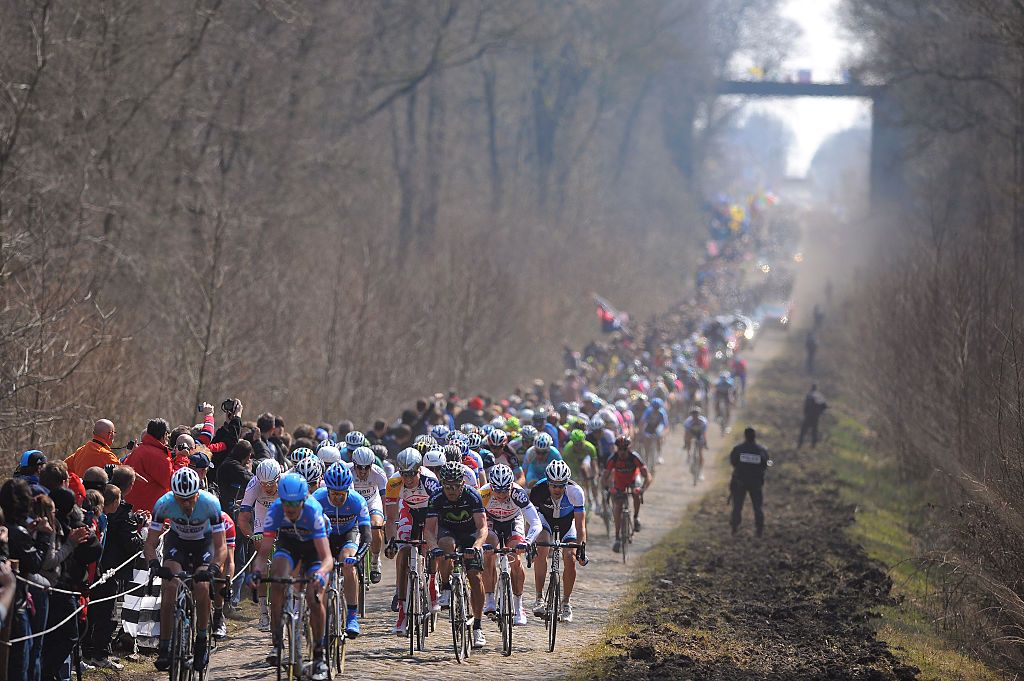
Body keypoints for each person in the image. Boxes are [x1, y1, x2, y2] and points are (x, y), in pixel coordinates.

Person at [251, 473, 333, 681]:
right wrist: (257, 572)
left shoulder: (313, 511)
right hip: (288, 549)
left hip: (313, 552)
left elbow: (326, 559)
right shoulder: (276, 510)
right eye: (286, 502)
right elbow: (263, 553)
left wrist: (321, 576)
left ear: (304, 499)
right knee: (277, 576)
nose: (290, 508)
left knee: (314, 597)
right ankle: (277, 642)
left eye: (295, 503)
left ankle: (319, 656)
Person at [145, 467, 228, 672]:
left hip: (204, 545)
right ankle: (164, 646)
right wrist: (154, 564)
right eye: (181, 499)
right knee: (169, 586)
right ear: (174, 495)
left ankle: (201, 640)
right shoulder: (163, 504)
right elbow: (150, 544)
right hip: (178, 544)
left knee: (201, 587)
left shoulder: (211, 504)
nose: (186, 503)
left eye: (190, 498)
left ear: (197, 493)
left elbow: (221, 546)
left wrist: (214, 568)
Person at [423, 461, 488, 649]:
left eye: (455, 486)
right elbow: (428, 530)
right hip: (447, 532)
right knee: (445, 546)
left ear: (462, 483)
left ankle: (477, 625)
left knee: (475, 578)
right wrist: (433, 547)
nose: (451, 490)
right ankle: (445, 587)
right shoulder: (436, 498)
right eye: (447, 486)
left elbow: (482, 527)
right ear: (442, 483)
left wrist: (476, 546)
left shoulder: (472, 496)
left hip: (470, 534)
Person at [383, 448, 441, 634]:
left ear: (419, 470)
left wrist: (433, 542)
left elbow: (438, 515)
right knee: (404, 551)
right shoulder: (393, 482)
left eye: (412, 474)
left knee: (429, 547)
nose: (408, 479)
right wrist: (392, 541)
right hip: (408, 511)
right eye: (404, 474)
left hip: (429, 512)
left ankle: (432, 583)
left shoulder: (430, 481)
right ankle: (402, 610)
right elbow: (391, 519)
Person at [478, 464, 541, 625]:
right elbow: (476, 522)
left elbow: (535, 523)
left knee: (515, 559)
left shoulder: (518, 493)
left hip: (513, 522)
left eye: (505, 490)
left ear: (510, 486)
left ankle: (519, 606)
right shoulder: (483, 493)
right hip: (491, 522)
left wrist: (527, 542)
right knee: (488, 553)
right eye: (497, 490)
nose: (500, 495)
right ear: (491, 486)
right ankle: (490, 599)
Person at [313, 464, 371, 637]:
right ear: (327, 489)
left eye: (342, 494)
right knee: (321, 569)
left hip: (348, 534)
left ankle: (352, 616)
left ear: (348, 490)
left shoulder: (357, 500)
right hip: (326, 536)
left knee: (347, 563)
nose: (338, 498)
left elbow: (367, 535)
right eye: (334, 493)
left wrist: (359, 557)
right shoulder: (317, 499)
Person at [528, 460, 587, 623]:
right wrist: (529, 543)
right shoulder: (538, 490)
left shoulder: (576, 492)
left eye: (561, 486)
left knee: (570, 558)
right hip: (545, 522)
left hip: (567, 524)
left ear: (566, 483)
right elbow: (531, 520)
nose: (557, 489)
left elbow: (581, 525)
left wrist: (581, 548)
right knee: (541, 549)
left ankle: (566, 603)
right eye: (554, 485)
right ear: (548, 482)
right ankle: (539, 598)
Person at [237, 458, 281, 630]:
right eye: (264, 484)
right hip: (263, 512)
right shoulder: (253, 485)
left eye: (271, 484)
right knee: (262, 555)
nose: (267, 488)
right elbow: (243, 518)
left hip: (283, 510)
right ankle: (263, 611)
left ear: (278, 478)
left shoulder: (287, 482)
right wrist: (252, 536)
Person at [602, 435, 652, 552]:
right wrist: (609, 488)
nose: (622, 452)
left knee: (636, 493)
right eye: (619, 449)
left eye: (625, 449)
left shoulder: (634, 457)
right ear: (617, 449)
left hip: (633, 479)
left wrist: (643, 489)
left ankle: (636, 518)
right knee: (617, 506)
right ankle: (617, 537)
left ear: (629, 448)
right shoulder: (613, 459)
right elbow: (604, 477)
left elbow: (648, 476)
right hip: (619, 482)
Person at [349, 446, 388, 583]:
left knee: (376, 526)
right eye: (360, 467)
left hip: (372, 501)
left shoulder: (379, 474)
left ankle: (375, 561)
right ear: (354, 465)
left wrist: (386, 521)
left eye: (367, 467)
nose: (363, 471)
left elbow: (385, 500)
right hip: (355, 503)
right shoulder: (348, 472)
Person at [123, 418, 174, 513]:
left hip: (132, 509)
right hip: (150, 512)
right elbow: (172, 482)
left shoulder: (138, 451)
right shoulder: (159, 456)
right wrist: (182, 458)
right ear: (164, 435)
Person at [728, 427, 770, 536]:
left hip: (740, 481)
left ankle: (734, 528)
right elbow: (767, 464)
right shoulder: (761, 450)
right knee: (757, 507)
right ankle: (759, 530)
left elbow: (733, 462)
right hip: (755, 482)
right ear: (754, 436)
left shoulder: (738, 449)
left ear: (745, 436)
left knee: (737, 506)